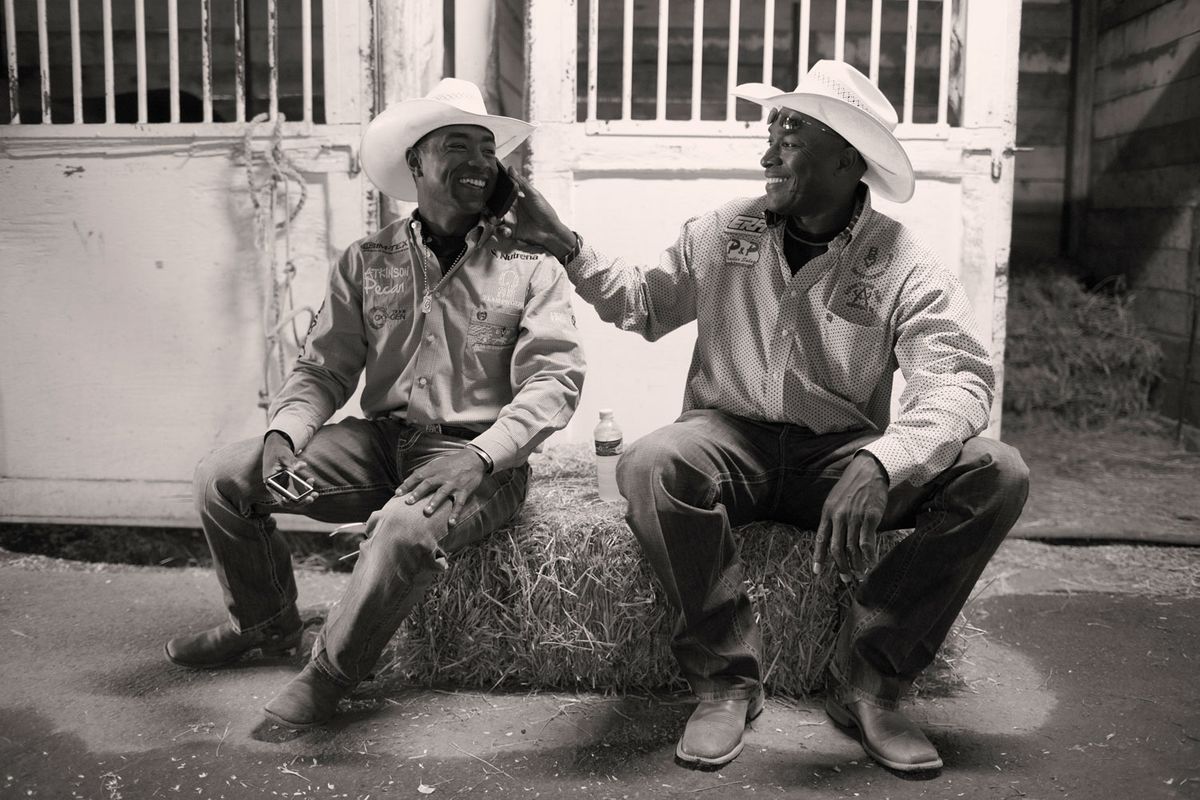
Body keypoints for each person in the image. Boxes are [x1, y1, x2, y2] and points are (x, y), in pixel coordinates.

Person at [493, 60, 1028, 774]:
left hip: (838, 458)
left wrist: (881, 460)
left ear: (846, 156)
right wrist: (567, 243)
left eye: (790, 132)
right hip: (731, 441)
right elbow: (646, 304)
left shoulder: (903, 263)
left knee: (998, 472)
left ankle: (873, 681)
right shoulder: (724, 231)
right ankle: (724, 681)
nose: (766, 150)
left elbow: (958, 384)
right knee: (651, 462)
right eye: (769, 129)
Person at [166, 78, 586, 729]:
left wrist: (479, 457)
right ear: (416, 162)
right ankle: (267, 624)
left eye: (487, 147)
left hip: (478, 458)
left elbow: (553, 383)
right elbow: (322, 369)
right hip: (382, 443)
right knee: (224, 477)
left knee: (403, 527)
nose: (480, 161)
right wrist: (284, 433)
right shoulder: (370, 259)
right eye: (459, 144)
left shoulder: (530, 263)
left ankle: (330, 676)